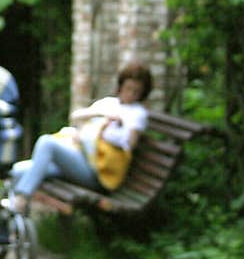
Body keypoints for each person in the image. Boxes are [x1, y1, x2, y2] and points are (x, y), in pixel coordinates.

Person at [9, 62, 153, 214]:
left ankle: (23, 199)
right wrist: (101, 115)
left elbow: (130, 143)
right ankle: (16, 224)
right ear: (121, 86)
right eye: (128, 88)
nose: (130, 94)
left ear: (142, 93)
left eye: (136, 91)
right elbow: (75, 116)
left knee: (47, 143)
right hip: (80, 159)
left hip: (97, 173)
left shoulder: (137, 114)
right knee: (18, 170)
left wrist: (103, 132)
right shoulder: (109, 103)